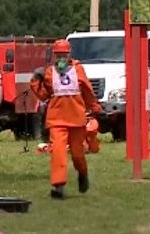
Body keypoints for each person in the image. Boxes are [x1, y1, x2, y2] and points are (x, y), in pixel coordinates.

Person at [30, 39, 105, 199]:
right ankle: (58, 186)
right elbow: (43, 95)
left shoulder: (78, 70)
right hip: (57, 120)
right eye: (58, 56)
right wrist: (36, 80)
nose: (61, 60)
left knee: (78, 154)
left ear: (69, 54)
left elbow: (87, 89)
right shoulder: (50, 72)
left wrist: (94, 106)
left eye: (63, 55)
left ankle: (83, 173)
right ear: (54, 57)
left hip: (76, 119)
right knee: (58, 152)